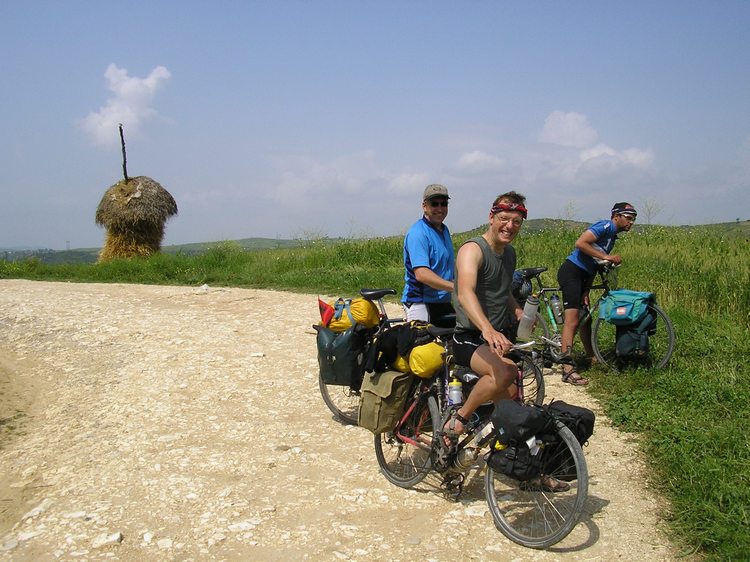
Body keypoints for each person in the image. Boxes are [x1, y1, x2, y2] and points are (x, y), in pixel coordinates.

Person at [447, 191, 527, 439]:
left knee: (512, 401)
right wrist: (487, 328)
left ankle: (500, 443)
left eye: (516, 222)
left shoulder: (509, 253)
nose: (509, 226)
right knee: (505, 372)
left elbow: (502, 290)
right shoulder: (472, 250)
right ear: (491, 217)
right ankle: (459, 421)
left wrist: (516, 309)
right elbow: (466, 293)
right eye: (504, 218)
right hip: (468, 336)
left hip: (491, 336)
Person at [556, 202, 638, 385]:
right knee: (573, 320)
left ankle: (591, 356)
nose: (631, 222)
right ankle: (567, 368)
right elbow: (581, 243)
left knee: (586, 319)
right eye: (628, 217)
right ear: (616, 216)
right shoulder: (605, 226)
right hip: (572, 271)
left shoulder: (612, 237)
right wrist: (606, 257)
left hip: (584, 275)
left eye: (633, 219)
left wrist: (586, 290)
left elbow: (593, 265)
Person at [401, 184, 455, 327]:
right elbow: (422, 274)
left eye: (444, 204)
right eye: (434, 204)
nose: (440, 208)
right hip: (420, 301)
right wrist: (456, 287)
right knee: (422, 347)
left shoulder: (444, 230)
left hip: (443, 301)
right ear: (425, 206)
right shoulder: (418, 233)